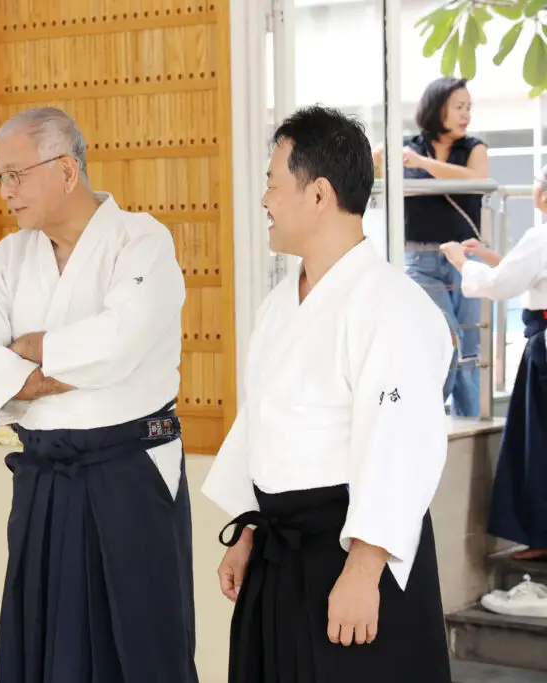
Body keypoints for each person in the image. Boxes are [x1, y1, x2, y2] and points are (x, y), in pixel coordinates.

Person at [202, 106, 454, 683]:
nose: (264, 199)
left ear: (318, 194)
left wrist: (365, 571)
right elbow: (262, 426)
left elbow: (400, 448)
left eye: (272, 183)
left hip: (350, 549)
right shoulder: (277, 305)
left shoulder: (392, 305)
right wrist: (248, 532)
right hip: (280, 548)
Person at [0, 107, 197, 683]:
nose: (5, 191)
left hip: (129, 473)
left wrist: (34, 348)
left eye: (15, 175)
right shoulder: (9, 259)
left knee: (140, 643)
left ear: (66, 170)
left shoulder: (141, 240)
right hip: (44, 474)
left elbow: (122, 343)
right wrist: (63, 364)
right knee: (42, 643)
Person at [441, 167, 547, 562]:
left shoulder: (540, 236)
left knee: (538, 443)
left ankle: (541, 534)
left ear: (543, 196)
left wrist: (460, 261)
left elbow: (497, 286)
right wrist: (491, 258)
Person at [397, 77, 489, 417]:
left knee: (468, 346)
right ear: (438, 109)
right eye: (459, 107)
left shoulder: (474, 148)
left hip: (466, 259)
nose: (466, 115)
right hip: (420, 258)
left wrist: (423, 165)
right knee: (444, 340)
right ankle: (428, 417)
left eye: (469, 108)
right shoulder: (408, 146)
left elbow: (477, 179)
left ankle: (469, 423)